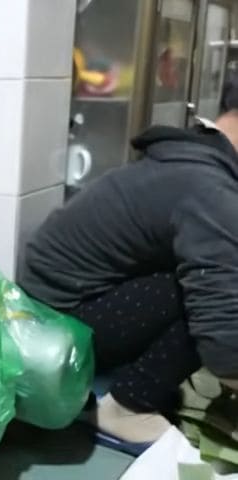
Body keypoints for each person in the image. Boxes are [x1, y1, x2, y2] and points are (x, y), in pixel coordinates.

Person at [19, 75, 238, 449]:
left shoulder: (194, 158)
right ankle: (127, 407)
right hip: (55, 326)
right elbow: (221, 335)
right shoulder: (210, 189)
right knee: (207, 295)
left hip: (51, 304)